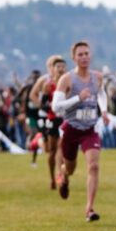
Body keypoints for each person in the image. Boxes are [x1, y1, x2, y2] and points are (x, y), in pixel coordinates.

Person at [52, 42, 109, 221]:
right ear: (74, 58)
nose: (84, 57)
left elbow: (101, 94)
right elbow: (56, 107)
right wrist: (78, 98)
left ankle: (89, 209)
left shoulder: (97, 77)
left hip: (90, 129)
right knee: (70, 168)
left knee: (93, 165)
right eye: (80, 54)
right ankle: (63, 176)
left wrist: (105, 110)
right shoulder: (67, 79)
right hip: (71, 128)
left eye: (86, 54)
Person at [31, 55, 67, 188]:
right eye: (55, 66)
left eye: (61, 66)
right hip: (50, 119)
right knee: (50, 150)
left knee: (61, 148)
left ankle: (61, 175)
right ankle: (53, 177)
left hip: (64, 118)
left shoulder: (68, 80)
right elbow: (33, 95)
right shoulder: (45, 82)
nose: (59, 69)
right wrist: (43, 106)